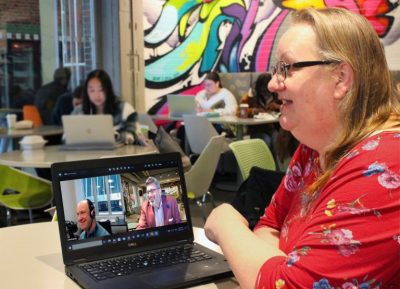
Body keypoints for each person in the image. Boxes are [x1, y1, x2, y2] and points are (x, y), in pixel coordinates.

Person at [204, 7, 400, 289]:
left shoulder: (385, 167)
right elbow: (269, 223)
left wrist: (225, 222)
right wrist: (280, 270)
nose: (272, 83)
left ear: (341, 79)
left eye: (287, 68)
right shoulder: (316, 147)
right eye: (275, 69)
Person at [71, 69, 147, 145]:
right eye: (92, 90)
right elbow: (67, 137)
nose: (96, 95)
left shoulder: (124, 109)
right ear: (86, 92)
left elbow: (133, 134)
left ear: (108, 90)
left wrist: (115, 136)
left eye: (101, 90)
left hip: (118, 154)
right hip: (86, 155)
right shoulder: (79, 111)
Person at [236, 73, 281, 151]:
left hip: (271, 128)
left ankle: (275, 162)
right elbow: (238, 112)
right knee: (266, 141)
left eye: (268, 92)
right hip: (255, 129)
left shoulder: (276, 95)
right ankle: (266, 162)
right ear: (259, 88)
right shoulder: (250, 96)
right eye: (264, 91)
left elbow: (287, 108)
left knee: (277, 139)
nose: (266, 95)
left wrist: (277, 106)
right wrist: (253, 111)